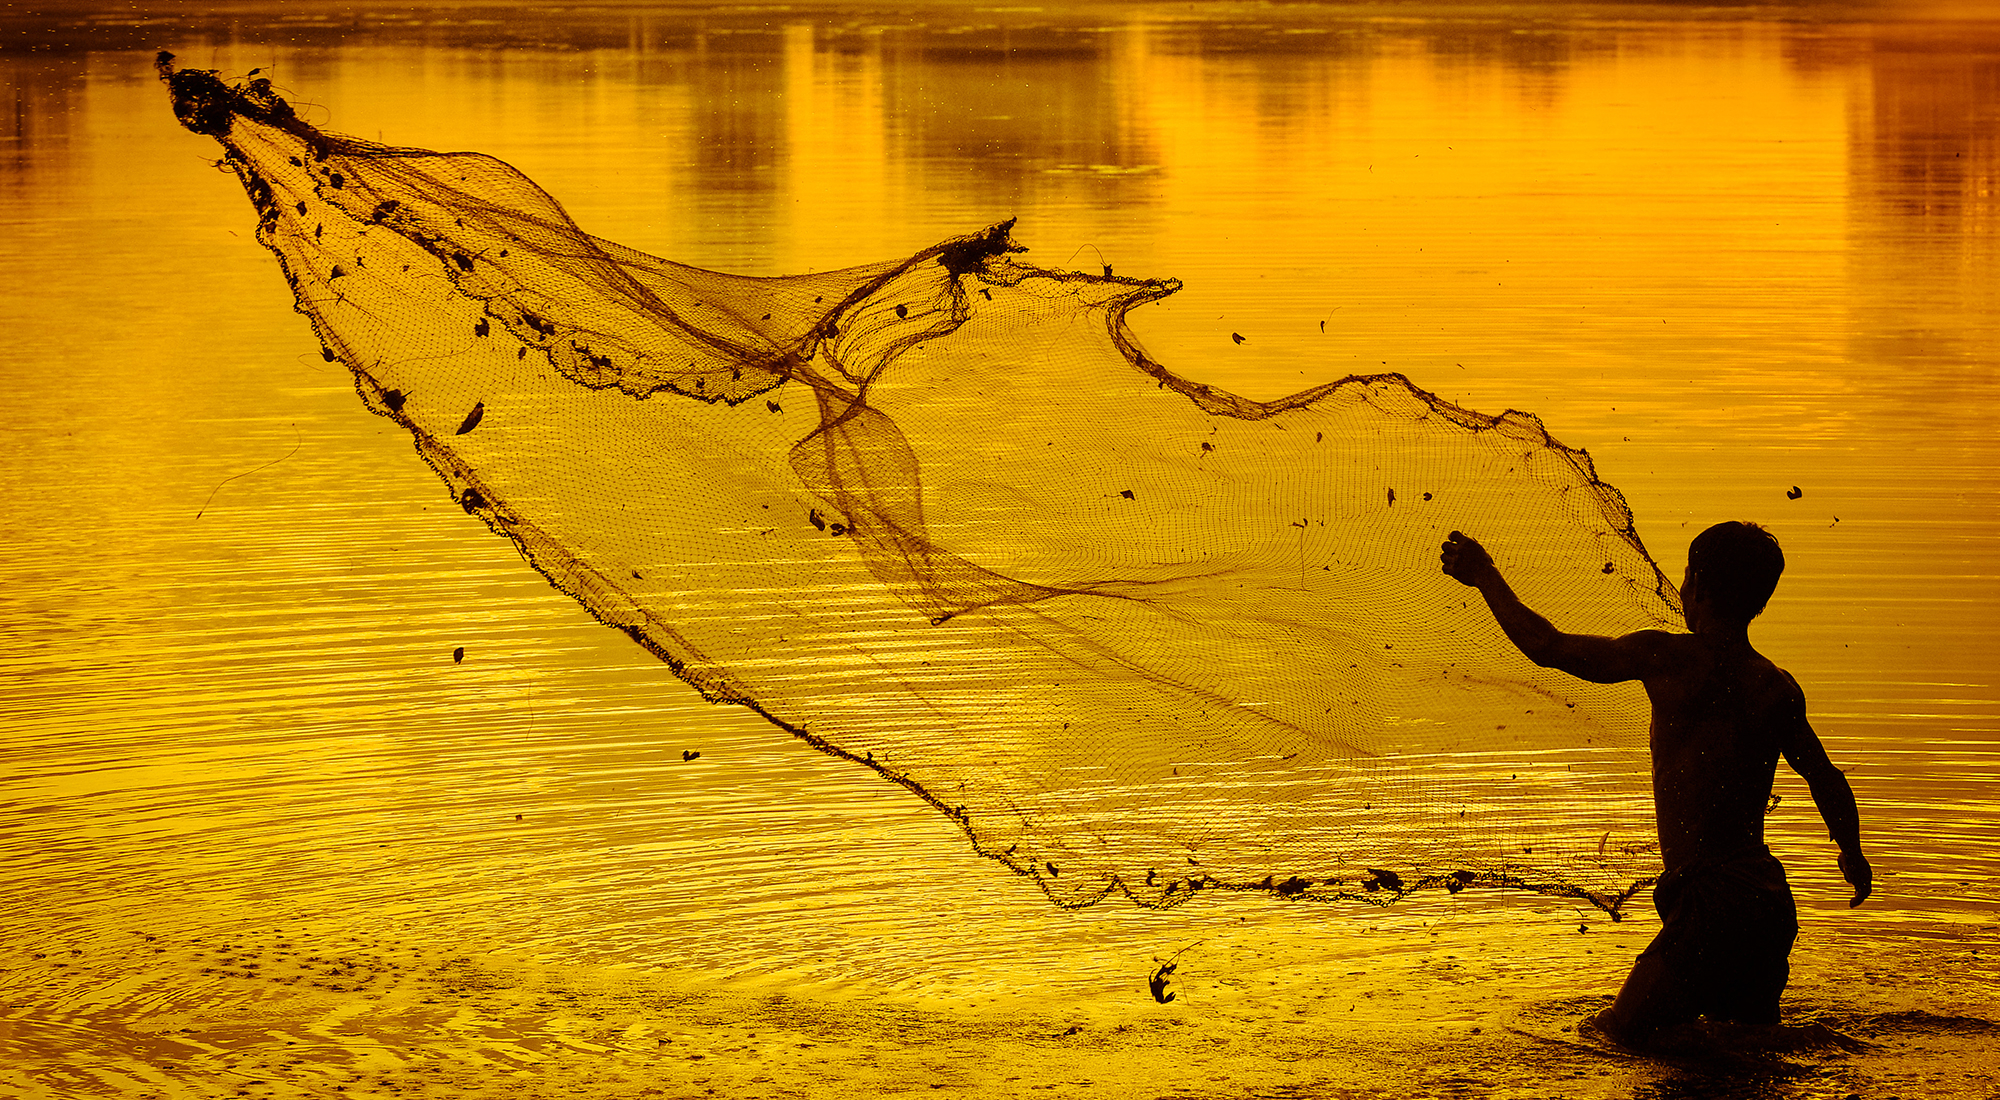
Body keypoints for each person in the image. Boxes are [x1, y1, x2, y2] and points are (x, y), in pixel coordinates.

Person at [1439, 522, 1871, 1050]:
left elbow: (1547, 646)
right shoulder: (1775, 685)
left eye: (1687, 574)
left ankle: (1824, 1046)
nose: (1682, 587)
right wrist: (1851, 851)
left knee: (1618, 1035)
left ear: (1702, 587)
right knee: (1746, 1055)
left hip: (1712, 901)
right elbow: (1824, 775)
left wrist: (1486, 577)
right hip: (1765, 900)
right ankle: (1815, 1048)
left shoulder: (1667, 658)